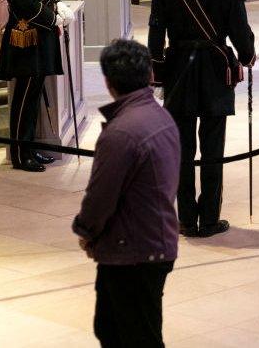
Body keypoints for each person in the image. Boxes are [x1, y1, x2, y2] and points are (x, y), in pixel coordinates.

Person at [147, 0, 256, 237]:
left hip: (179, 69)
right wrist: (247, 57)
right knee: (212, 149)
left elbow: (156, 33)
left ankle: (185, 218)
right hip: (213, 70)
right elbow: (240, 33)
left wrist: (157, 70)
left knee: (180, 149)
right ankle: (209, 218)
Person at [72, 39, 180, 348]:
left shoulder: (121, 133)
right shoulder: (160, 116)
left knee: (134, 337)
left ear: (107, 82)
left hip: (133, 250)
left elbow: (100, 196)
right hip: (150, 241)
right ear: (149, 75)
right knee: (112, 329)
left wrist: (85, 230)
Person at [0, 0, 72, 173]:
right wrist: (53, 18)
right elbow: (26, 5)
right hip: (27, 40)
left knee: (33, 97)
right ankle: (20, 154)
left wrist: (58, 4)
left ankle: (29, 149)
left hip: (38, 39)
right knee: (24, 99)